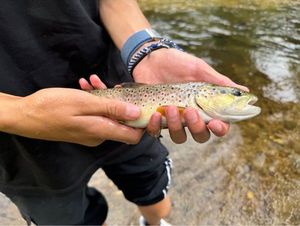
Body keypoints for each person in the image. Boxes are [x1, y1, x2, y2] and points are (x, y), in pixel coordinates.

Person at [0, 0, 247, 225]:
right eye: (235, 95)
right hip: (20, 146)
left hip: (118, 87)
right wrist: (21, 113)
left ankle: (154, 222)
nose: (239, 96)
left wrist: (146, 50)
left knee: (150, 186)